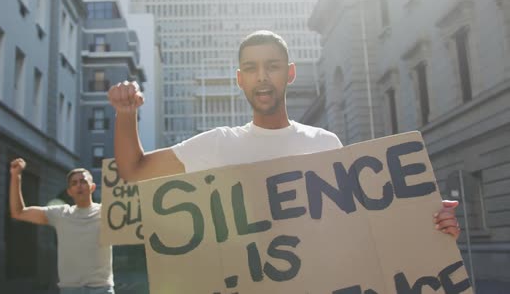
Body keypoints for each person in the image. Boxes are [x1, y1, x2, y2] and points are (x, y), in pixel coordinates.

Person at [107, 30, 461, 239]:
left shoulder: (325, 145)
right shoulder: (217, 144)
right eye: (251, 68)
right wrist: (126, 114)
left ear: (289, 73)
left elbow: (360, 232)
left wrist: (429, 226)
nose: (262, 76)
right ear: (239, 79)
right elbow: (134, 171)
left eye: (272, 66)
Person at [9, 158, 114, 294]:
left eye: (83, 181)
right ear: (69, 191)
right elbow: (18, 212)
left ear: (92, 187)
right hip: (70, 290)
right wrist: (16, 176)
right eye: (74, 183)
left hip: (101, 289)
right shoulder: (61, 213)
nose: (79, 185)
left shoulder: (108, 212)